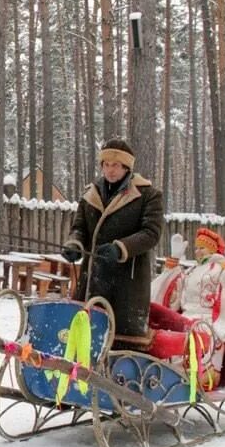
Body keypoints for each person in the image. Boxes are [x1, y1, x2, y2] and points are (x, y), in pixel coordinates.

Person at [61, 138, 163, 348]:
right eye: (106, 165)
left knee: (121, 343)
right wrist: (75, 245)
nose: (110, 170)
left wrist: (121, 248)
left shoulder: (148, 196)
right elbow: (79, 228)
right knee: (87, 338)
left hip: (127, 285)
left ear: (127, 167)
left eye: (115, 165)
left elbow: (151, 233)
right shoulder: (90, 194)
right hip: (93, 279)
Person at [150, 228, 225, 390]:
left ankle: (197, 378)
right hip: (185, 318)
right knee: (171, 335)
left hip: (209, 319)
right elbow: (175, 294)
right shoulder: (192, 271)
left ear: (212, 249)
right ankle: (168, 375)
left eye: (202, 248)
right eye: (196, 248)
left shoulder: (220, 269)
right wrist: (174, 262)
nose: (197, 252)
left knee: (200, 336)